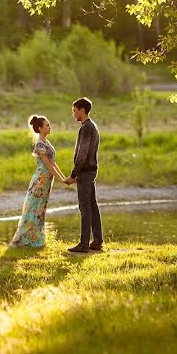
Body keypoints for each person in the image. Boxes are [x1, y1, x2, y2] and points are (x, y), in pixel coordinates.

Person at [9, 115, 70, 248]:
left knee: (41, 209)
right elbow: (48, 165)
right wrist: (61, 179)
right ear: (41, 128)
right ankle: (26, 240)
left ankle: (36, 238)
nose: (49, 127)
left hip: (47, 180)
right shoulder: (39, 144)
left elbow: (54, 163)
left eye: (49, 124)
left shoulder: (47, 143)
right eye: (47, 125)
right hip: (41, 180)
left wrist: (64, 178)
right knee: (34, 208)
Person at [64, 97, 103, 254]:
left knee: (85, 207)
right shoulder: (91, 126)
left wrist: (74, 174)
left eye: (74, 111)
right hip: (90, 171)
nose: (73, 114)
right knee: (92, 206)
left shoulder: (87, 128)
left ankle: (84, 244)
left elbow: (82, 154)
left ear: (82, 110)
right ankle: (98, 241)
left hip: (85, 172)